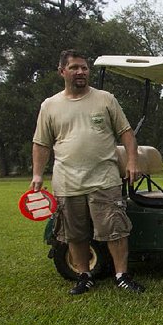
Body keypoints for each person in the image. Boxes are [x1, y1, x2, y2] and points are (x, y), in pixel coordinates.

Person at [31, 49, 145, 295]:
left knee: (115, 230)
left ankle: (122, 275)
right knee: (75, 234)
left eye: (84, 67)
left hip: (104, 179)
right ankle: (84, 275)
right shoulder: (50, 106)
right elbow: (41, 143)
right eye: (74, 68)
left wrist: (132, 161)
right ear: (62, 71)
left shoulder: (105, 99)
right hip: (67, 181)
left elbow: (126, 133)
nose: (81, 72)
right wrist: (37, 175)